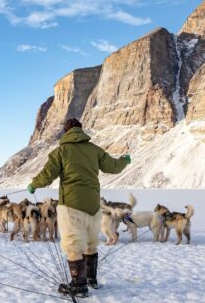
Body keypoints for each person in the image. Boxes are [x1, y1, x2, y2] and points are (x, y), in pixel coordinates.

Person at [27, 118, 131, 297]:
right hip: (93, 207)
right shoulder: (94, 149)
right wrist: (124, 160)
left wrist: (34, 184)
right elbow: (113, 167)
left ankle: (79, 286)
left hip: (71, 206)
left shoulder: (61, 151)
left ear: (66, 132)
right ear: (81, 131)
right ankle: (91, 279)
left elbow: (47, 174)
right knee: (91, 243)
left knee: (74, 245)